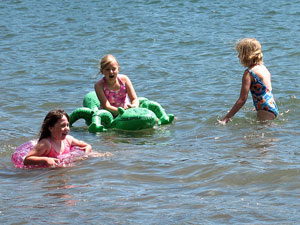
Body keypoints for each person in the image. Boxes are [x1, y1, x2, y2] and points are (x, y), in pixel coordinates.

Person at [219, 38, 279, 124]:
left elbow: (242, 99)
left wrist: (227, 117)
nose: (238, 56)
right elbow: (267, 90)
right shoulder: (263, 68)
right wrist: (258, 106)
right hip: (272, 106)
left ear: (245, 55)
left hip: (264, 110)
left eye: (239, 53)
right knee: (267, 133)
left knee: (262, 135)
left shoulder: (249, 73)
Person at [23, 109, 92, 167]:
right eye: (63, 126)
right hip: (48, 174)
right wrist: (46, 160)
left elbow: (87, 145)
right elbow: (27, 160)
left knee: (97, 154)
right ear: (51, 128)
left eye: (67, 125)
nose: (67, 129)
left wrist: (86, 153)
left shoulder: (68, 139)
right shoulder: (46, 144)